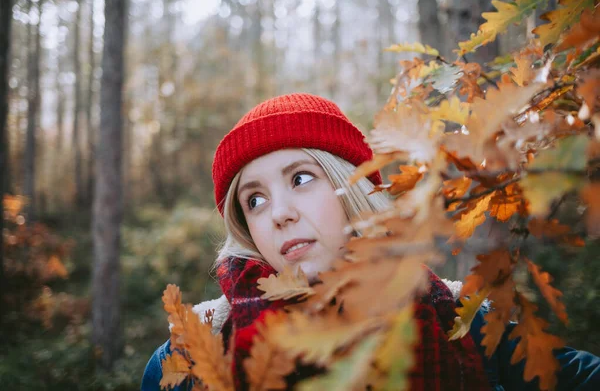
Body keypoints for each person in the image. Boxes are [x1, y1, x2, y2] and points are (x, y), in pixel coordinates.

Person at [142, 93, 600, 391]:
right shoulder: (188, 354)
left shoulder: (461, 321)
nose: (279, 213)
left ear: (353, 188)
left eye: (301, 178)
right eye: (255, 200)